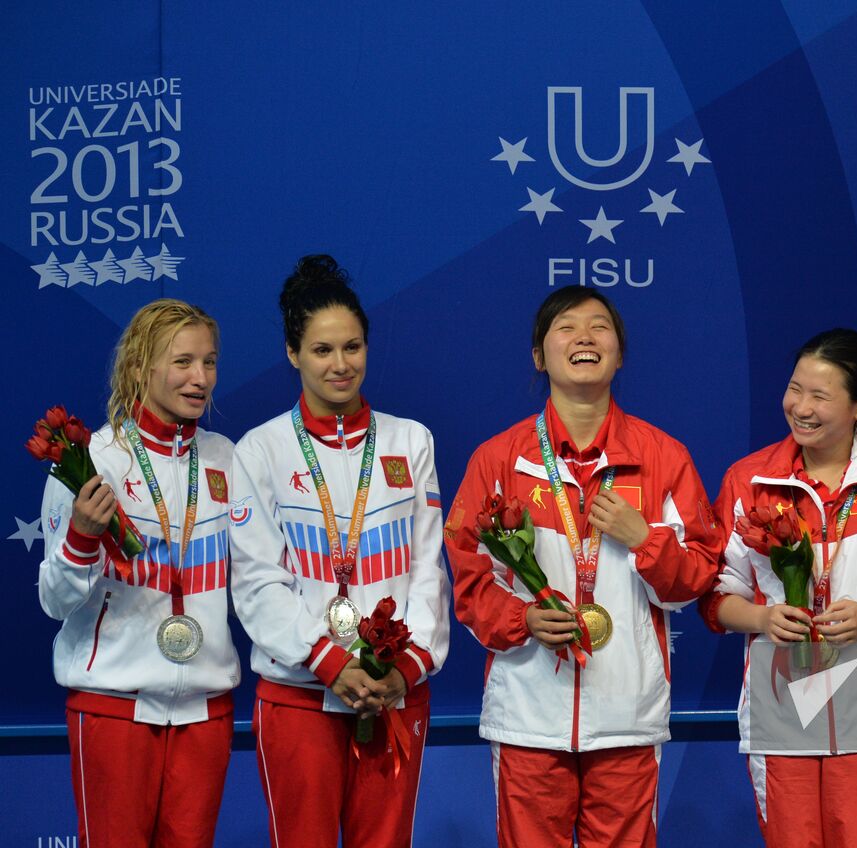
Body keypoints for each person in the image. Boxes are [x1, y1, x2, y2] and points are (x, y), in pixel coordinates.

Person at [444, 287, 720, 848]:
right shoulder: (498, 459)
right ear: (539, 356)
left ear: (619, 355)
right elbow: (470, 581)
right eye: (566, 327)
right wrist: (523, 618)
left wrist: (645, 540)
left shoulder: (664, 457)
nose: (585, 337)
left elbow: (697, 577)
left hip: (626, 714)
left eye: (600, 326)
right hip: (528, 713)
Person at [699, 328, 857, 847]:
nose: (801, 408)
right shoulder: (751, 481)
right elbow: (716, 597)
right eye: (795, 389)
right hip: (780, 709)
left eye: (820, 395)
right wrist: (762, 618)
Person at [230, 255, 450, 847]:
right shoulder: (260, 450)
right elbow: (257, 580)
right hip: (300, 694)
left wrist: (406, 667)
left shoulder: (411, 440)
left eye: (352, 347)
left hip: (394, 689)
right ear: (292, 353)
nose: (341, 364)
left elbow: (428, 569)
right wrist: (329, 661)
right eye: (322, 350)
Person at [38, 299, 238, 848]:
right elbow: (54, 600)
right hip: (113, 707)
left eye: (210, 362)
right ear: (139, 367)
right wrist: (81, 536)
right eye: (183, 362)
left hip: (205, 711)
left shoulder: (225, 459)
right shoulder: (91, 462)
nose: (201, 378)